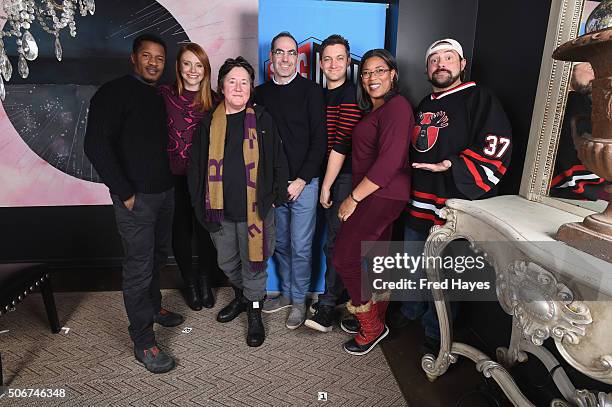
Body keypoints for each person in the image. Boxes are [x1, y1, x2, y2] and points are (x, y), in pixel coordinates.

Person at [398, 38, 512, 354]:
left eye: (449, 58)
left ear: (462, 64)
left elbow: (497, 145)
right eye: (434, 60)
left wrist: (452, 164)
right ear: (426, 68)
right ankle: (411, 314)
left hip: (454, 207)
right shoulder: (425, 103)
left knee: (447, 274)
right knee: (412, 263)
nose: (441, 64)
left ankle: (437, 333)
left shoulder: (480, 98)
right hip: (419, 199)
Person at [84, 33, 183, 373]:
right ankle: (143, 341)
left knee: (157, 256)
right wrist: (125, 192)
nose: (154, 63)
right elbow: (95, 146)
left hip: (165, 193)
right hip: (135, 199)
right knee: (138, 269)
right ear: (133, 58)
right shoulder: (113, 93)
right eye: (147, 56)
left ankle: (154, 307)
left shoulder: (160, 95)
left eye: (159, 57)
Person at [187, 57, 288, 347]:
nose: (238, 87)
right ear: (221, 86)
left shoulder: (263, 119)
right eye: (232, 81)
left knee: (255, 264)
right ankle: (244, 297)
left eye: (244, 81)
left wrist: (276, 197)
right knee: (228, 262)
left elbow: (278, 159)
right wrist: (199, 206)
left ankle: (254, 312)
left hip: (256, 211)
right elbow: (195, 169)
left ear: (251, 87)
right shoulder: (208, 123)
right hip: (220, 211)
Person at [332, 49, 414, 355]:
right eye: (366, 72)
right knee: (377, 259)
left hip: (380, 194)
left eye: (379, 71)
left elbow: (390, 161)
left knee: (345, 258)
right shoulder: (378, 110)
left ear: (392, 74)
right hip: (380, 193)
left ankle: (371, 327)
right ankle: (376, 319)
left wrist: (352, 198)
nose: (371, 78)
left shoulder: (397, 107)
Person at [255, 31, 326, 330]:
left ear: (298, 58)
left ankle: (299, 301)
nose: (285, 58)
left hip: (304, 184)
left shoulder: (311, 92)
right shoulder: (259, 94)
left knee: (301, 245)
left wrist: (301, 179)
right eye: (279, 53)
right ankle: (285, 293)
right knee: (280, 243)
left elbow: (319, 142)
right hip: (273, 186)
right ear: (271, 57)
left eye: (290, 53)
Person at [304, 34, 362, 334]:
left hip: (344, 177)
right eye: (327, 58)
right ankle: (341, 298)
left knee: (336, 242)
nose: (333, 64)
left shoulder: (352, 94)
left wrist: (326, 185)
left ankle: (328, 305)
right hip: (324, 175)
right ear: (320, 62)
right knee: (332, 241)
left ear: (349, 60)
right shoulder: (319, 94)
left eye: (340, 58)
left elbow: (341, 143)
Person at [159, 43, 218, 311]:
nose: (192, 70)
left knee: (205, 230)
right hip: (174, 176)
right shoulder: (164, 95)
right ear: (179, 66)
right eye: (187, 63)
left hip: (206, 178)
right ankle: (190, 281)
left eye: (198, 65)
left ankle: (206, 280)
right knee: (180, 230)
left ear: (205, 69)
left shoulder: (216, 101)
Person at [550, 62, 607, 200]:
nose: (595, 75)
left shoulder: (582, 105)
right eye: (591, 68)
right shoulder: (575, 100)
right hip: (569, 188)